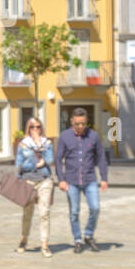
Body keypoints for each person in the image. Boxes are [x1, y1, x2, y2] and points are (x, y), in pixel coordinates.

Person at [55, 107, 109, 253]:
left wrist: (104, 178)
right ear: (72, 121)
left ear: (86, 122)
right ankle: (78, 239)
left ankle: (89, 235)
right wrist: (61, 179)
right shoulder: (65, 136)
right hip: (71, 181)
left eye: (83, 124)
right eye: (77, 124)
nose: (80, 127)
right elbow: (58, 159)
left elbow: (101, 157)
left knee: (95, 208)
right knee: (74, 212)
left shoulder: (94, 136)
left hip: (90, 179)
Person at [14, 117, 55, 258]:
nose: (35, 130)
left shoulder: (47, 143)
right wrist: (35, 165)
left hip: (45, 180)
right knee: (27, 212)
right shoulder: (23, 144)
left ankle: (45, 244)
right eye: (32, 127)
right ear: (28, 129)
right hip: (28, 181)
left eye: (38, 127)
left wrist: (39, 145)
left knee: (44, 212)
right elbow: (19, 165)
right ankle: (24, 238)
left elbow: (49, 160)